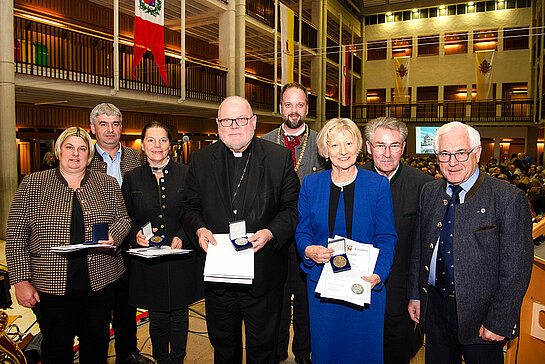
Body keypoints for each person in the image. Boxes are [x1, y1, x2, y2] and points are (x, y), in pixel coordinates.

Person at [182, 96, 300, 364]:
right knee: (223, 346)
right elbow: (189, 207)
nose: (234, 126)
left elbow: (292, 208)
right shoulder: (201, 160)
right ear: (218, 124)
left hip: (263, 275)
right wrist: (199, 230)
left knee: (263, 348)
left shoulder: (278, 158)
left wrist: (270, 233)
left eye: (241, 119)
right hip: (220, 278)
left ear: (254, 122)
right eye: (226, 120)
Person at [407, 121, 534, 364]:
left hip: (482, 317)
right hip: (434, 308)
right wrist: (416, 295)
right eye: (445, 154)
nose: (452, 162)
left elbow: (516, 269)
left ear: (477, 153)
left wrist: (500, 320)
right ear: (437, 157)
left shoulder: (507, 199)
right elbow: (420, 250)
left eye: (461, 153)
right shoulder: (430, 192)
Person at [6, 127, 130, 364]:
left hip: (100, 284)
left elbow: (123, 219)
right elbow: (15, 236)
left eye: (82, 148)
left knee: (96, 347)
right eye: (69, 147)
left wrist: (113, 235)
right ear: (59, 151)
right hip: (50, 287)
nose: (76, 154)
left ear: (89, 154)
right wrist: (21, 281)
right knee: (56, 349)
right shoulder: (33, 184)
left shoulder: (107, 183)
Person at [295, 118, 397, 363]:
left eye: (349, 143)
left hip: (365, 283)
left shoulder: (378, 185)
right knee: (326, 350)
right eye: (335, 145)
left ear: (359, 146)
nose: (343, 151)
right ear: (325, 151)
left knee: (365, 352)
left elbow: (387, 237)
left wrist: (379, 274)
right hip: (323, 284)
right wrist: (308, 249)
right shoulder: (311, 184)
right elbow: (302, 231)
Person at [122, 121, 204, 364]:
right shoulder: (132, 178)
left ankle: (178, 359)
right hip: (150, 261)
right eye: (151, 140)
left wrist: (184, 234)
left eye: (162, 140)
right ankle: (160, 359)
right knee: (156, 316)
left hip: (181, 257)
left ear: (171, 144)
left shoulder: (187, 173)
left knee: (179, 314)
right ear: (143, 144)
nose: (157, 146)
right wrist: (135, 234)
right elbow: (125, 216)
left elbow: (197, 209)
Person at [261, 82, 324, 364]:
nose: (294, 110)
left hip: (310, 236)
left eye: (300, 105)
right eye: (289, 104)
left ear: (307, 109)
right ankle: (275, 354)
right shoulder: (263, 141)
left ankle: (302, 355)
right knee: (274, 300)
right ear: (280, 107)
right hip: (273, 236)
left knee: (305, 302)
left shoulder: (323, 143)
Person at [362, 117, 433, 364]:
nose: (387, 153)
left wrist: (416, 295)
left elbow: (425, 248)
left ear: (403, 147)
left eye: (394, 145)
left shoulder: (424, 186)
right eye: (380, 145)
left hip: (401, 297)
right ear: (368, 147)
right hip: (359, 290)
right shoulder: (353, 180)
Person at [88, 103, 150, 364]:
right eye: (103, 124)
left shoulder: (137, 157)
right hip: (99, 242)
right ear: (92, 128)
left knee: (128, 302)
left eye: (115, 124)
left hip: (132, 241)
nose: (110, 130)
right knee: (99, 308)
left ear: (121, 127)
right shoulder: (83, 157)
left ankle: (128, 352)